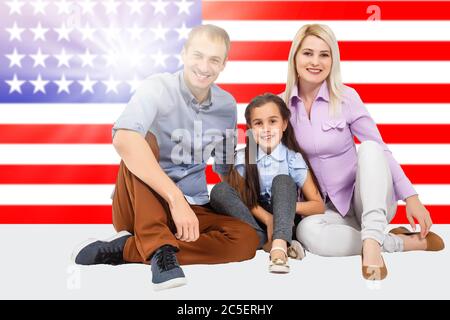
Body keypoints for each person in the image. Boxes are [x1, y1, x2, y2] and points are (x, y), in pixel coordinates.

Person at [71, 24, 259, 291]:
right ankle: (159, 247)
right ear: (183, 54)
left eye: (214, 59)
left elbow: (225, 167)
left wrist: (264, 202)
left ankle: (130, 248)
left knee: (246, 239)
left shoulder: (227, 105)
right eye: (198, 55)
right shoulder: (157, 87)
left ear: (223, 65)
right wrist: (174, 198)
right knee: (142, 138)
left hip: (193, 208)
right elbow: (123, 139)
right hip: (140, 205)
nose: (204, 66)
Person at [282, 24, 444, 280]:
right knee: (310, 235)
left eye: (324, 54)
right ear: (295, 57)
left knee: (369, 148)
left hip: (368, 199)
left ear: (333, 59)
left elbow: (381, 150)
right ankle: (397, 242)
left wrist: (411, 197)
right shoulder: (281, 107)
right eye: (308, 53)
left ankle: (370, 246)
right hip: (326, 210)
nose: (315, 61)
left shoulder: (347, 97)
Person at [210, 93, 325, 273]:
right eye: (258, 123)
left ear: (284, 124)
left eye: (273, 121)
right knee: (219, 190)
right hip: (253, 220)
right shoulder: (241, 158)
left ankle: (279, 246)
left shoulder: (293, 159)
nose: (266, 129)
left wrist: (283, 209)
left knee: (283, 180)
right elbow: (243, 198)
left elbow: (318, 206)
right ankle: (263, 240)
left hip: (285, 220)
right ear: (249, 128)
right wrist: (267, 218)